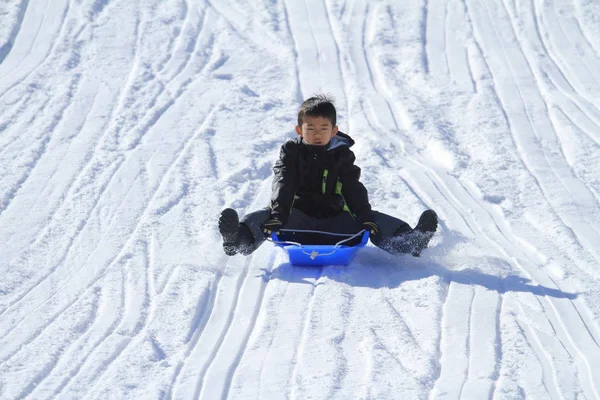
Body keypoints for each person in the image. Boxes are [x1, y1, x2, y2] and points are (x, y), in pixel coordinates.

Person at [218, 94, 438, 258]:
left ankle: (411, 242)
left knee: (374, 220)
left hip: (336, 221)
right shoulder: (291, 152)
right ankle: (236, 240)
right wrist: (278, 215)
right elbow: (283, 183)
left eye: (324, 128)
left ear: (334, 131)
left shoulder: (341, 155)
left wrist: (364, 217)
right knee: (264, 217)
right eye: (310, 128)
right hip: (297, 219)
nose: (317, 134)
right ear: (299, 130)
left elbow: (352, 187)